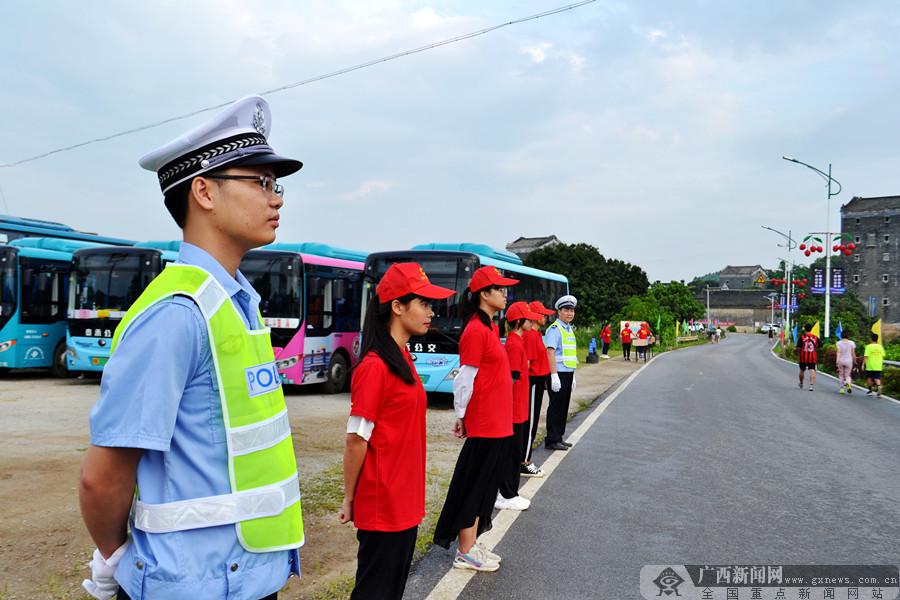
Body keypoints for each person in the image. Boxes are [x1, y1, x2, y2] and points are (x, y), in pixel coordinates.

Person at [79, 96, 305, 600]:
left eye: (277, 185)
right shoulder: (176, 314)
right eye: (261, 182)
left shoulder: (235, 300)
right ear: (203, 191)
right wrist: (121, 563)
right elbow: (103, 477)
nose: (277, 198)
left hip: (246, 578)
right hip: (192, 587)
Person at [339, 262, 455, 600]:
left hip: (404, 500)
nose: (431, 312)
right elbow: (355, 439)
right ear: (397, 306)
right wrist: (350, 497)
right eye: (424, 303)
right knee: (374, 592)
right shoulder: (375, 366)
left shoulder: (402, 358)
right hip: (382, 503)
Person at [433, 265, 519, 572]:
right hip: (485, 424)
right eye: (500, 289)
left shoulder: (491, 327)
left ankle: (473, 543)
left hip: (498, 423)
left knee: (485, 487)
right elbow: (464, 378)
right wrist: (460, 414)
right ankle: (465, 551)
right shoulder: (475, 330)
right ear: (484, 294)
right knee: (473, 486)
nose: (505, 294)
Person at [496, 301, 542, 509]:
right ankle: (506, 494)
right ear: (520, 321)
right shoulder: (514, 345)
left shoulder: (517, 341)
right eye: (528, 318)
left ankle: (510, 492)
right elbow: (512, 381)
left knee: (515, 451)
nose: (532, 321)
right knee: (512, 453)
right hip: (515, 409)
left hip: (520, 408)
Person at [522, 300, 555, 477]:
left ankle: (524, 458)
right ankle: (524, 461)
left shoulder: (536, 335)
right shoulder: (530, 336)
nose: (545, 317)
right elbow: (526, 364)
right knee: (531, 422)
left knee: (532, 422)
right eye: (542, 314)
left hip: (538, 380)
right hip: (533, 381)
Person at [544, 295, 578, 451]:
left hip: (568, 373)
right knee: (555, 406)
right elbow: (550, 353)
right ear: (559, 311)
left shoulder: (569, 329)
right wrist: (554, 375)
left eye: (571, 310)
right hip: (557, 373)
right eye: (566, 310)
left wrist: (573, 376)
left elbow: (570, 354)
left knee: (563, 407)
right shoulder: (555, 329)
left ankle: (559, 437)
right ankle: (551, 439)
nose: (569, 313)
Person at [798, 323, 819, 391]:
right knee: (812, 370)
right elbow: (820, 345)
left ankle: (801, 383)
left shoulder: (802, 337)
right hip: (812, 357)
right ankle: (811, 386)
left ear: (805, 329)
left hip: (803, 357)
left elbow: (798, 347)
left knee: (802, 370)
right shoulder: (815, 337)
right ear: (811, 329)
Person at [835, 330, 856, 395]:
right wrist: (854, 360)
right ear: (848, 336)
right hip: (849, 361)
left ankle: (842, 389)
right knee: (848, 375)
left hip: (841, 361)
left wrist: (837, 361)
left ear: (841, 336)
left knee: (841, 375)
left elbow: (838, 352)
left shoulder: (838, 343)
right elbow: (853, 353)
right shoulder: (852, 343)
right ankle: (848, 383)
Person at [864, 333, 885, 397]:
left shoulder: (868, 346)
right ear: (877, 339)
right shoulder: (880, 347)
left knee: (869, 377)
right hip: (878, 365)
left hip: (870, 365)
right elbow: (883, 355)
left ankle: (870, 391)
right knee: (877, 378)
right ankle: (879, 387)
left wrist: (863, 364)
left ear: (871, 339)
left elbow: (866, 356)